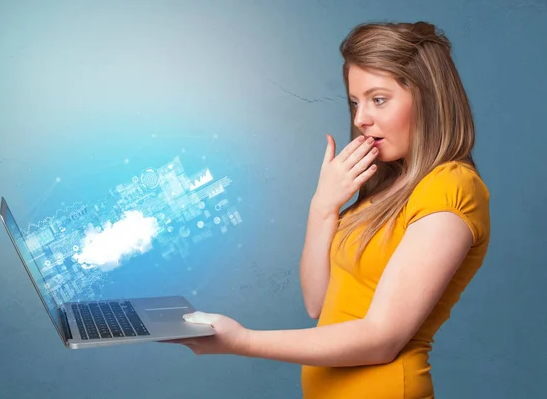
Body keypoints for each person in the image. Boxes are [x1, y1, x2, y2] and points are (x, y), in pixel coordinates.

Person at [164, 21, 491, 398]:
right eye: (355, 102)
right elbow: (318, 303)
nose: (360, 119)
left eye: (378, 99)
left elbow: (382, 338)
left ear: (429, 99)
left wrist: (242, 341)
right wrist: (323, 206)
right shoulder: (387, 190)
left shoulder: (451, 186)